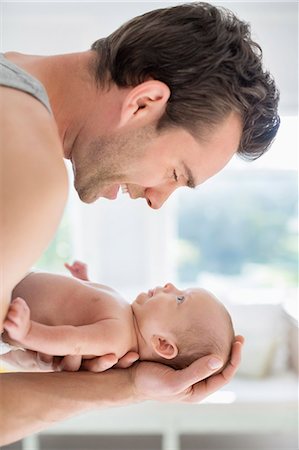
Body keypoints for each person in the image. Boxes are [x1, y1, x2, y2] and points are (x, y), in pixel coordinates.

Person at [1, 0, 281, 443]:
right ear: (144, 103)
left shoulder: (9, 77)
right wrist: (126, 387)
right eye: (175, 174)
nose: (156, 201)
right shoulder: (30, 175)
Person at [3, 262, 235, 373]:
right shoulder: (124, 313)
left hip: (8, 313)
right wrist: (83, 280)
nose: (170, 285)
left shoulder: (117, 337)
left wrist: (28, 332)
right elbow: (83, 308)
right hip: (11, 284)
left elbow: (72, 340)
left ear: (162, 344)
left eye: (180, 299)